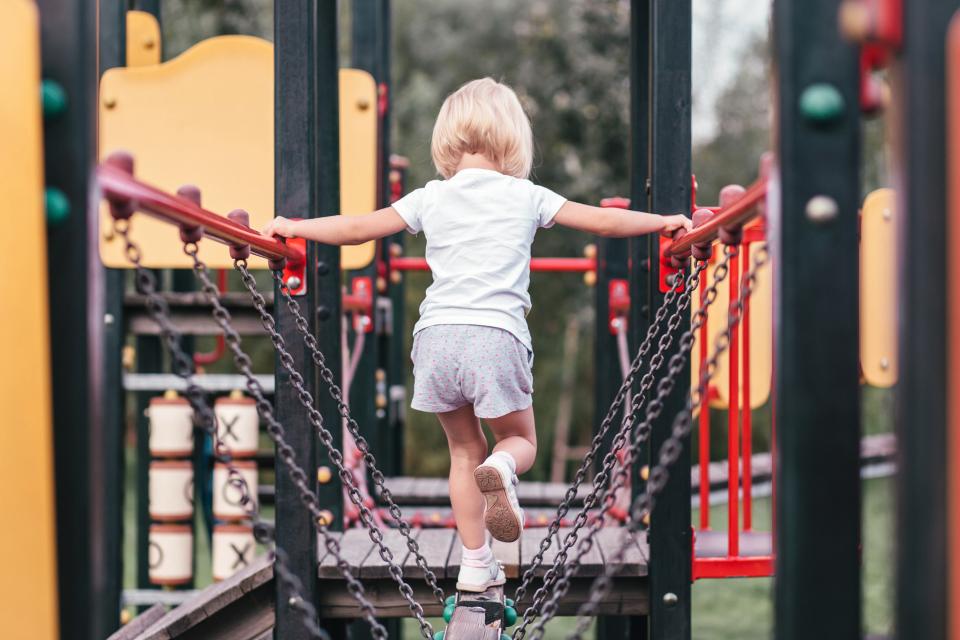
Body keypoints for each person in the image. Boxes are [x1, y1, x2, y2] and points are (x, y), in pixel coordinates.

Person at [262, 77, 691, 592]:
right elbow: (602, 222)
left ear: (446, 138)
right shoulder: (526, 195)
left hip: (436, 338)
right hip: (495, 336)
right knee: (518, 440)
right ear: (513, 137)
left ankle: (474, 563)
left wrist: (295, 227)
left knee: (464, 452)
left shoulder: (430, 197)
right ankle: (504, 468)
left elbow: (357, 229)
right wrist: (662, 222)